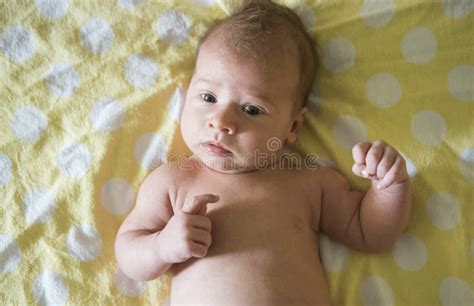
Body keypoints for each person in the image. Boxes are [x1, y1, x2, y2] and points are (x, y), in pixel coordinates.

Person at [115, 1, 411, 304]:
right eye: (208, 97)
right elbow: (129, 251)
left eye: (252, 109)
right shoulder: (172, 181)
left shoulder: (308, 181)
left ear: (292, 126)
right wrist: (163, 247)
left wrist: (389, 187)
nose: (221, 122)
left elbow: (370, 233)